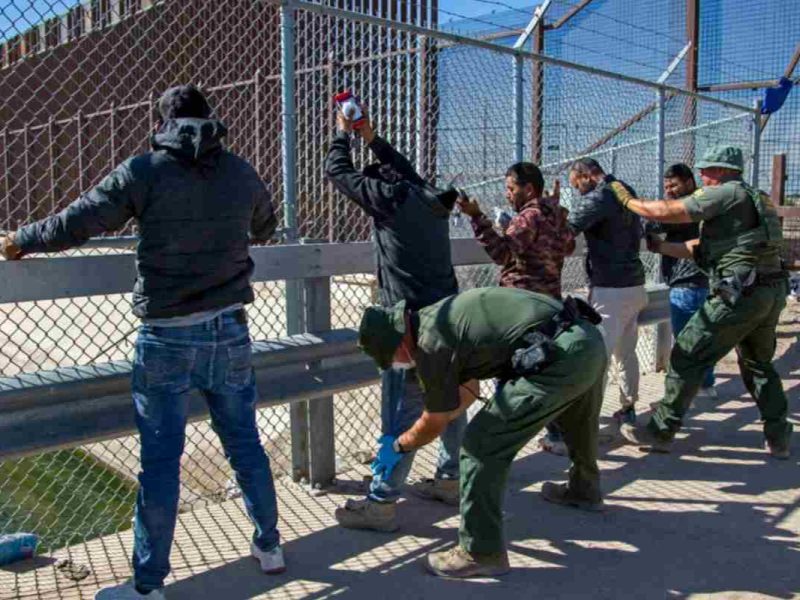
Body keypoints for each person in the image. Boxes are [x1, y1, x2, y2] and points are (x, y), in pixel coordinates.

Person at [0, 85, 284, 599]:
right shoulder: (240, 170)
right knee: (245, 445)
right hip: (229, 330)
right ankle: (270, 547)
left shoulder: (144, 171)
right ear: (210, 119)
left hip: (167, 336)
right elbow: (266, 226)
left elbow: (81, 220)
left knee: (159, 462)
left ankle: (148, 585)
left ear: (165, 122)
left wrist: (23, 238)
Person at [358, 287, 607, 578]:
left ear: (399, 344)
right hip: (586, 341)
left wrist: (399, 446)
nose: (396, 366)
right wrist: (439, 416)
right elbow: (468, 392)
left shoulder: (430, 345)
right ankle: (584, 490)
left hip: (558, 358)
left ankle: (480, 552)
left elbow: (434, 421)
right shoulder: (437, 316)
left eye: (391, 360)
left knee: (480, 447)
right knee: (579, 423)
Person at [324, 104, 468, 531]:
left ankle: (382, 501)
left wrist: (342, 134)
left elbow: (338, 173)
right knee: (452, 399)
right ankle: (451, 479)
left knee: (399, 412)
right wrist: (371, 137)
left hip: (410, 323)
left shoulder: (388, 199)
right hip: (449, 316)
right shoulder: (428, 199)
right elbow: (403, 168)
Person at [609, 145, 792, 459]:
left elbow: (669, 211)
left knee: (686, 354)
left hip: (740, 293)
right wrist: (662, 248)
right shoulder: (755, 197)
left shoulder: (725, 192)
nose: (702, 176)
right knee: (759, 365)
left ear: (720, 170)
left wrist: (628, 201)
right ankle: (778, 436)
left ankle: (661, 431)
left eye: (706, 170)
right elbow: (701, 246)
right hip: (769, 290)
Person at [457, 163, 576, 455]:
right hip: (549, 305)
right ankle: (559, 436)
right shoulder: (555, 215)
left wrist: (476, 217)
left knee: (508, 369)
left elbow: (501, 253)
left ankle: (498, 436)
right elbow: (569, 247)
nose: (508, 194)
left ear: (529, 189)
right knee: (541, 371)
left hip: (520, 310)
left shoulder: (529, 217)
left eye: (511, 188)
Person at [567, 158, 646, 428]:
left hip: (610, 289)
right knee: (626, 352)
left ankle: (587, 418)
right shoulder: (626, 190)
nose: (578, 191)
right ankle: (628, 407)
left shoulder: (600, 195)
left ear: (587, 176)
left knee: (597, 357)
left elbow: (568, 228)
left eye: (576, 184)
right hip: (634, 284)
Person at [647, 163, 716, 398]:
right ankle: (706, 384)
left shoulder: (688, 207)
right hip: (699, 281)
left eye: (674, 185)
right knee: (700, 336)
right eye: (666, 186)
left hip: (687, 282)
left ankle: (683, 395)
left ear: (689, 181)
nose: (670, 190)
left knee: (685, 342)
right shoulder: (700, 202)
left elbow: (654, 222)